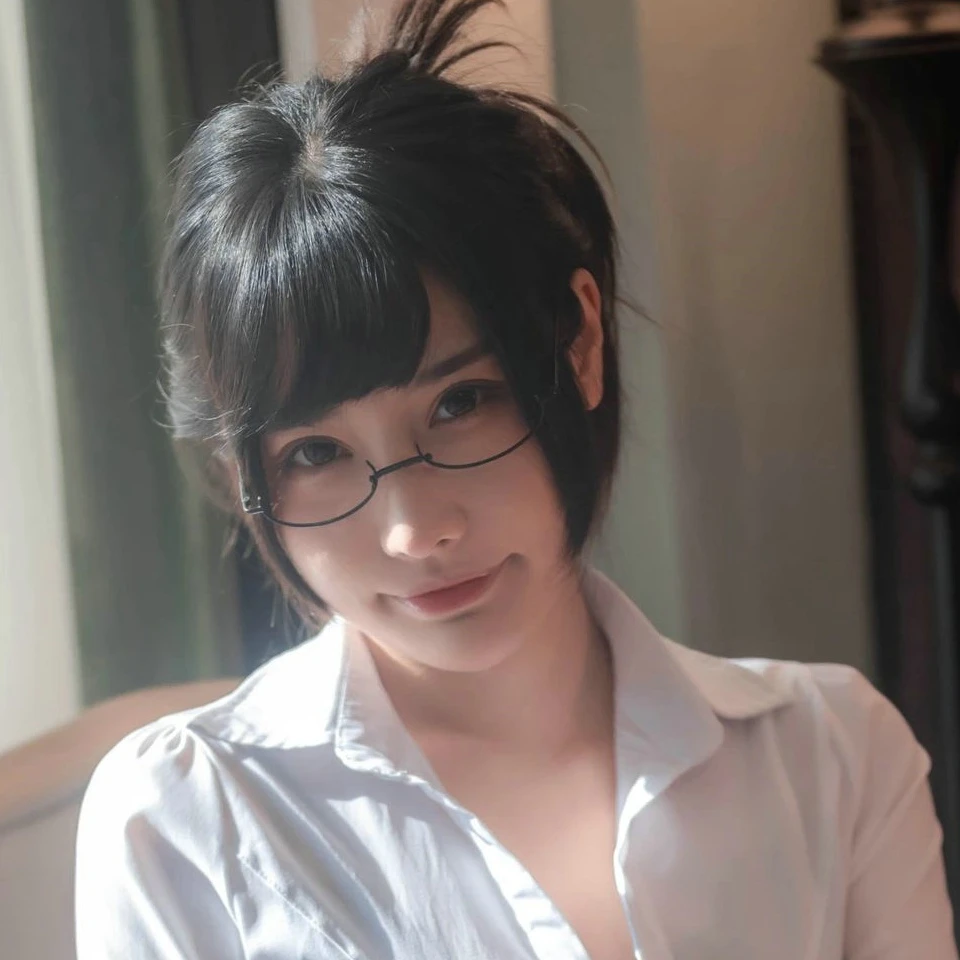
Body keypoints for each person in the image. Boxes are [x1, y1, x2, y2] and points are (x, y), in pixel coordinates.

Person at [74, 0, 957, 957]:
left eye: (461, 403)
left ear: (580, 343)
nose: (415, 529)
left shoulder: (830, 758)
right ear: (236, 471)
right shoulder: (186, 823)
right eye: (315, 454)